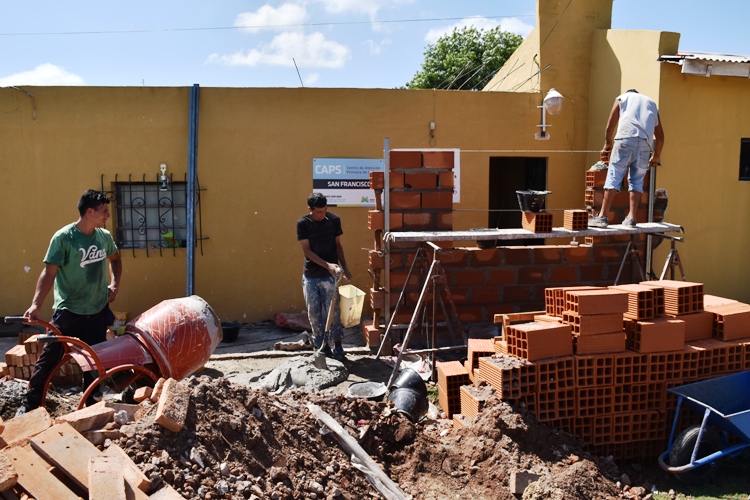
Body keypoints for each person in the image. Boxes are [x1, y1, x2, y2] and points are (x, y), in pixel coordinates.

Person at [16, 190, 122, 416]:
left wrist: (114, 284)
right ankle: (30, 405)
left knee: (94, 360)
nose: (107, 216)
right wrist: (36, 305)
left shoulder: (103, 237)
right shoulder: (64, 238)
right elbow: (49, 273)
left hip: (97, 311)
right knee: (49, 358)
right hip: (69, 312)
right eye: (104, 211)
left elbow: (115, 259)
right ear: (90, 212)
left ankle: (90, 405)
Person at [588, 89, 664, 228]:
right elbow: (660, 136)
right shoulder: (651, 103)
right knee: (637, 181)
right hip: (645, 143)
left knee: (614, 176)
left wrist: (608, 143)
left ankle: (602, 217)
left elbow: (610, 125)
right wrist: (656, 156)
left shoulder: (622, 98)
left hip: (625, 139)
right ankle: (631, 218)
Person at [296, 193, 352, 362]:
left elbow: (338, 246)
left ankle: (338, 346)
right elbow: (307, 251)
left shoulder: (334, 220)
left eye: (325, 210)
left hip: (330, 277)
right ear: (310, 209)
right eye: (319, 211)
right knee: (314, 314)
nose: (323, 214)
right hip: (311, 276)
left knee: (333, 313)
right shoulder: (303, 223)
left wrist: (345, 267)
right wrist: (328, 265)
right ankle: (321, 347)